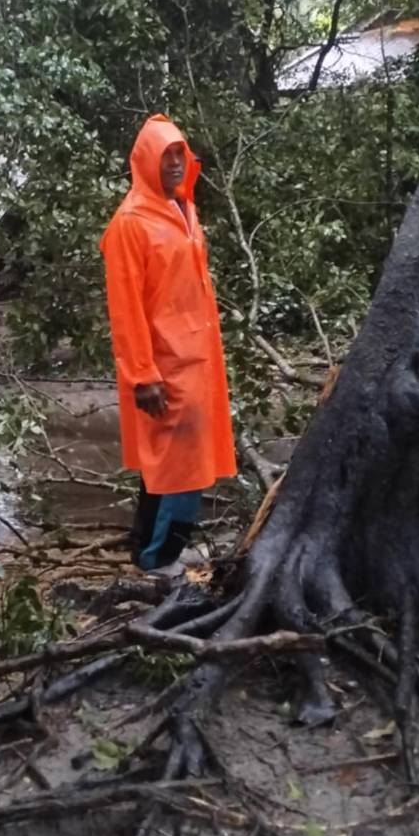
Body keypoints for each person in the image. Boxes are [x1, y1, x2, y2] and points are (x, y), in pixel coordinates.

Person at [100, 114, 236, 576]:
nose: (176, 162)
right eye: (166, 155)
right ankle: (159, 559)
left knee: (178, 464)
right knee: (177, 466)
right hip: (164, 364)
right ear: (145, 161)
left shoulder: (184, 208)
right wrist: (142, 375)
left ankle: (152, 552)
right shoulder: (130, 223)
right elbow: (125, 307)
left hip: (198, 358)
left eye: (180, 153)